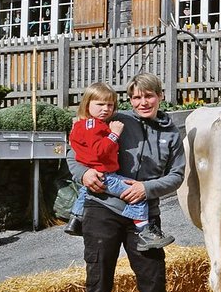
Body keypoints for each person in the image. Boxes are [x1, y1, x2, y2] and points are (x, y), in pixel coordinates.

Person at [65, 73, 185, 292]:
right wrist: (83, 174)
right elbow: (76, 149)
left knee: (153, 280)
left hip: (143, 214)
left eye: (149, 96)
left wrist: (147, 188)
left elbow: (177, 175)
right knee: (99, 281)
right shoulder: (115, 121)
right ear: (129, 101)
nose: (143, 102)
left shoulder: (172, 132)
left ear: (160, 96)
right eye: (136, 98)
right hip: (102, 208)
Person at [64, 82, 169, 251]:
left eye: (110, 105)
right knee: (137, 193)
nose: (105, 109)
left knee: (85, 190)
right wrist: (114, 135)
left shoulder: (82, 124)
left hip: (97, 173)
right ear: (87, 104)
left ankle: (76, 219)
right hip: (105, 174)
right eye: (100, 104)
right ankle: (144, 231)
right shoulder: (95, 127)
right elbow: (99, 152)